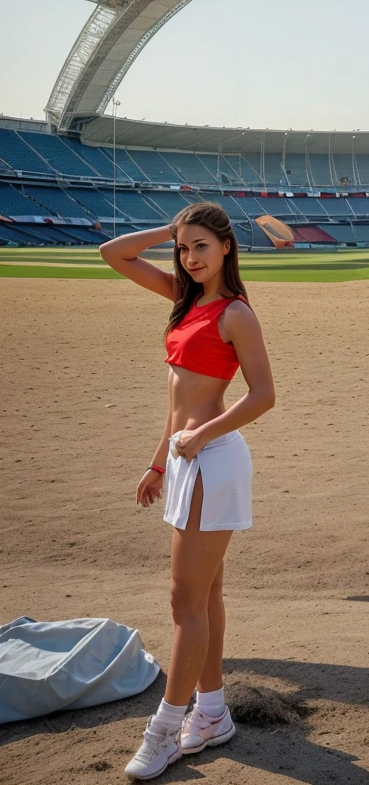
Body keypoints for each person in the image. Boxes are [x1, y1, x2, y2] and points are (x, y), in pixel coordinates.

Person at [99, 202, 275, 780]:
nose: (190, 257)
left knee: (183, 602)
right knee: (206, 597)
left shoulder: (235, 314)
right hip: (183, 462)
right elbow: (113, 253)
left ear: (227, 246)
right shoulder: (183, 298)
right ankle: (213, 713)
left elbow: (262, 395)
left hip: (212, 461)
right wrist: (158, 462)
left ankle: (165, 731)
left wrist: (202, 435)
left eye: (201, 245)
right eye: (183, 247)